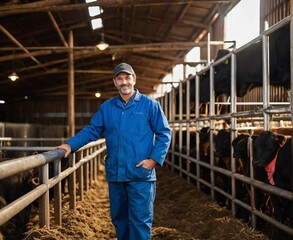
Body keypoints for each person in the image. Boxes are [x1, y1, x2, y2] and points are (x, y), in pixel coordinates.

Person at [57, 62, 171, 240]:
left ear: (134, 80)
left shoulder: (150, 105)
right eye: (120, 79)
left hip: (140, 174)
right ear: (115, 82)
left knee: (140, 220)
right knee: (119, 219)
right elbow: (92, 130)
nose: (124, 82)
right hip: (116, 173)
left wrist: (154, 160)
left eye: (127, 77)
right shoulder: (107, 107)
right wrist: (69, 145)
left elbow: (164, 133)